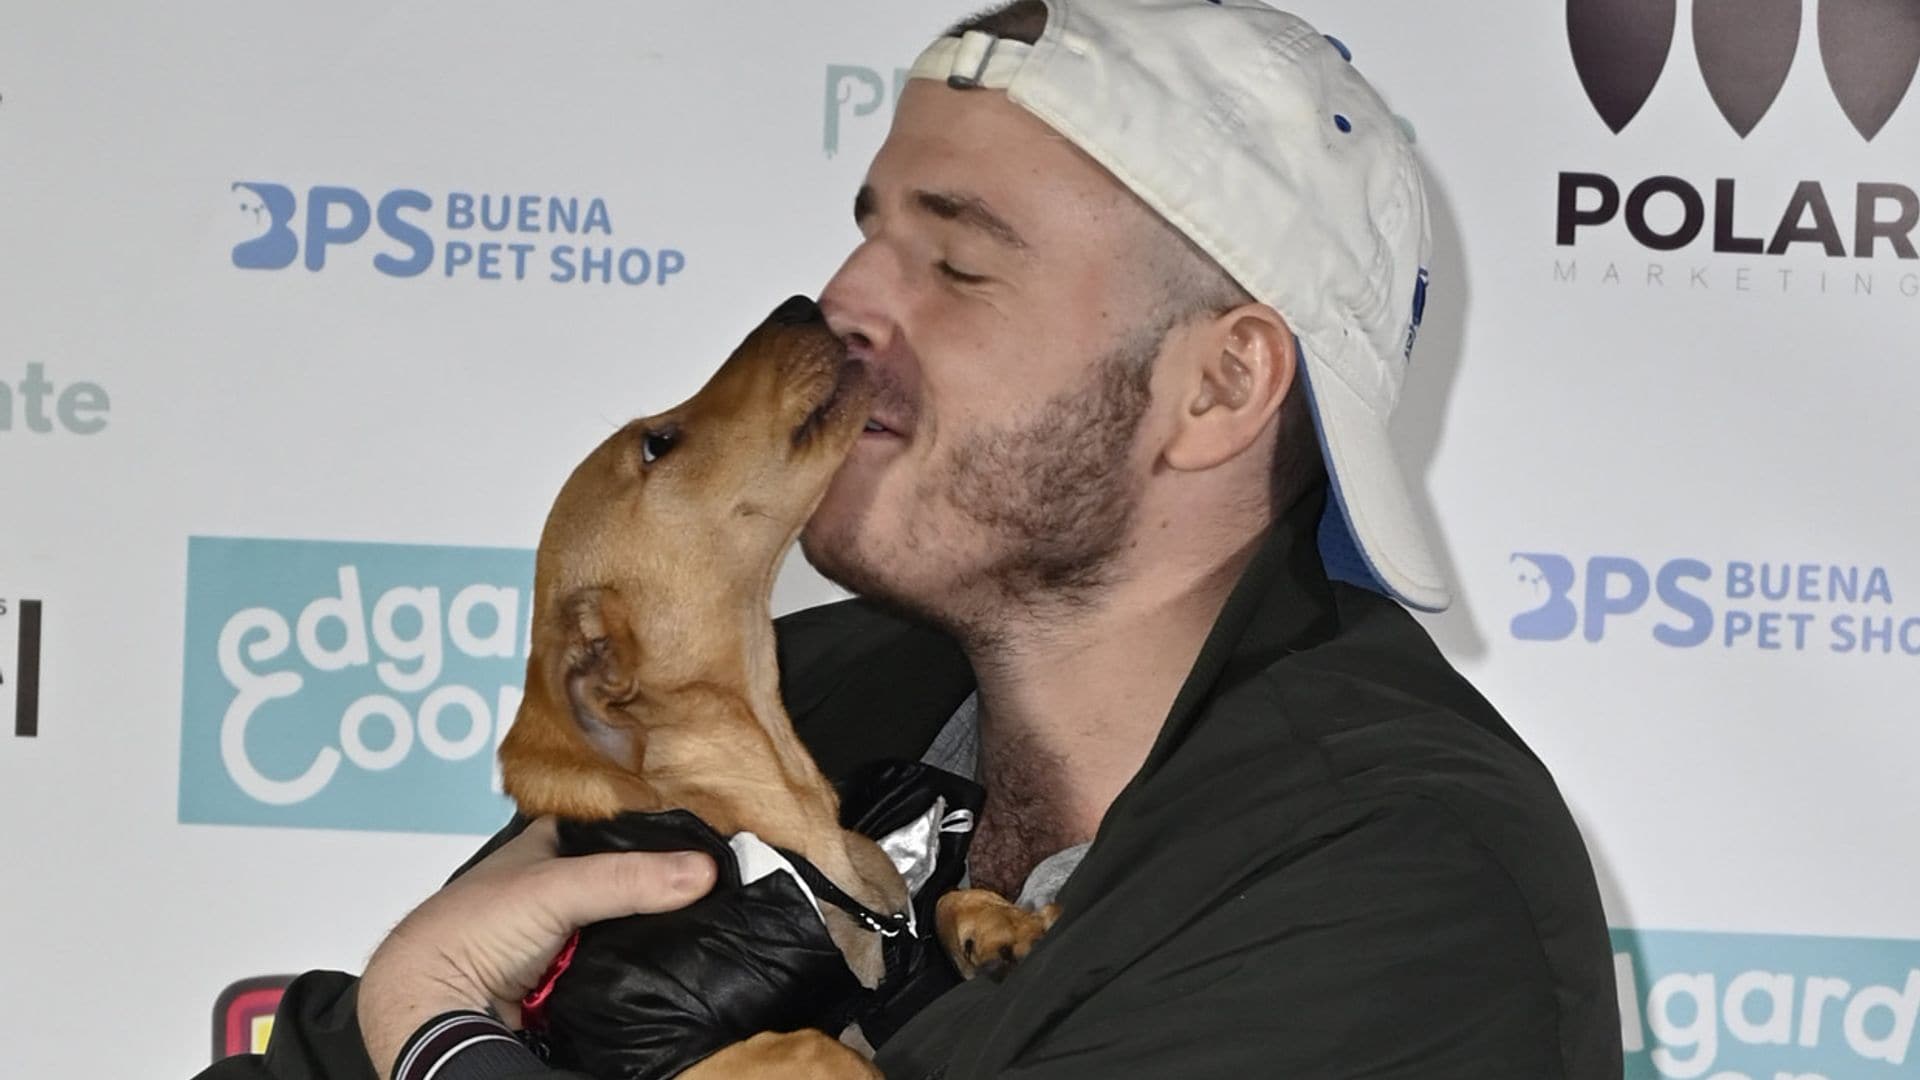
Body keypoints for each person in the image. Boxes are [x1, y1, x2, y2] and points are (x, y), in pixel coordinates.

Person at [200, 2, 1624, 1078]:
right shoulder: (808, 695)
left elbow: (409, 1018)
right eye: (868, 232)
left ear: (1219, 387)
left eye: (959, 260)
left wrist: (441, 1039)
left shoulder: (1400, 884)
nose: (847, 299)